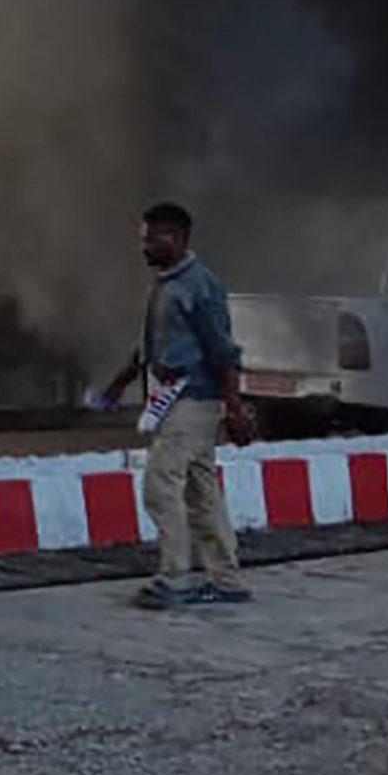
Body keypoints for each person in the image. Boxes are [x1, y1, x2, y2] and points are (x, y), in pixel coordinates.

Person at [98, 201, 255, 610]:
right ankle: (227, 580)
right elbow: (150, 346)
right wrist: (118, 385)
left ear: (180, 238)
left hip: (194, 400)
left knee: (159, 483)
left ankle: (173, 578)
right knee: (201, 492)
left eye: (154, 239)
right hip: (173, 399)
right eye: (143, 239)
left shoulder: (199, 287)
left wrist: (235, 408)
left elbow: (224, 353)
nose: (145, 247)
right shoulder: (167, 284)